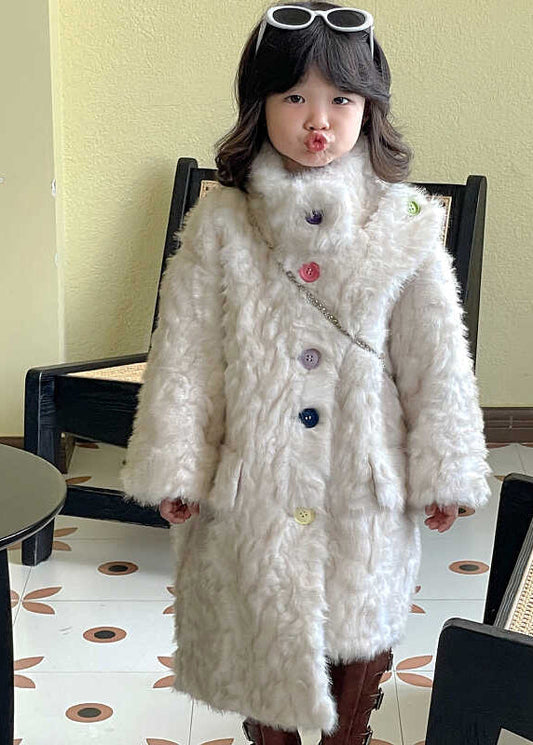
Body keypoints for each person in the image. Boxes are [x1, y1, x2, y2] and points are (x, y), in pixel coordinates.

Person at [120, 3, 492, 744]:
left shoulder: (404, 223)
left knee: (358, 624)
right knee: (265, 629)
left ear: (369, 108)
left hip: (364, 478)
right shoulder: (223, 223)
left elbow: (436, 359)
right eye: (293, 96)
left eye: (341, 99)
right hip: (254, 480)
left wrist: (445, 469)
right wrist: (177, 463)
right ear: (259, 104)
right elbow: (186, 353)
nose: (317, 119)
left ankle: (350, 731)